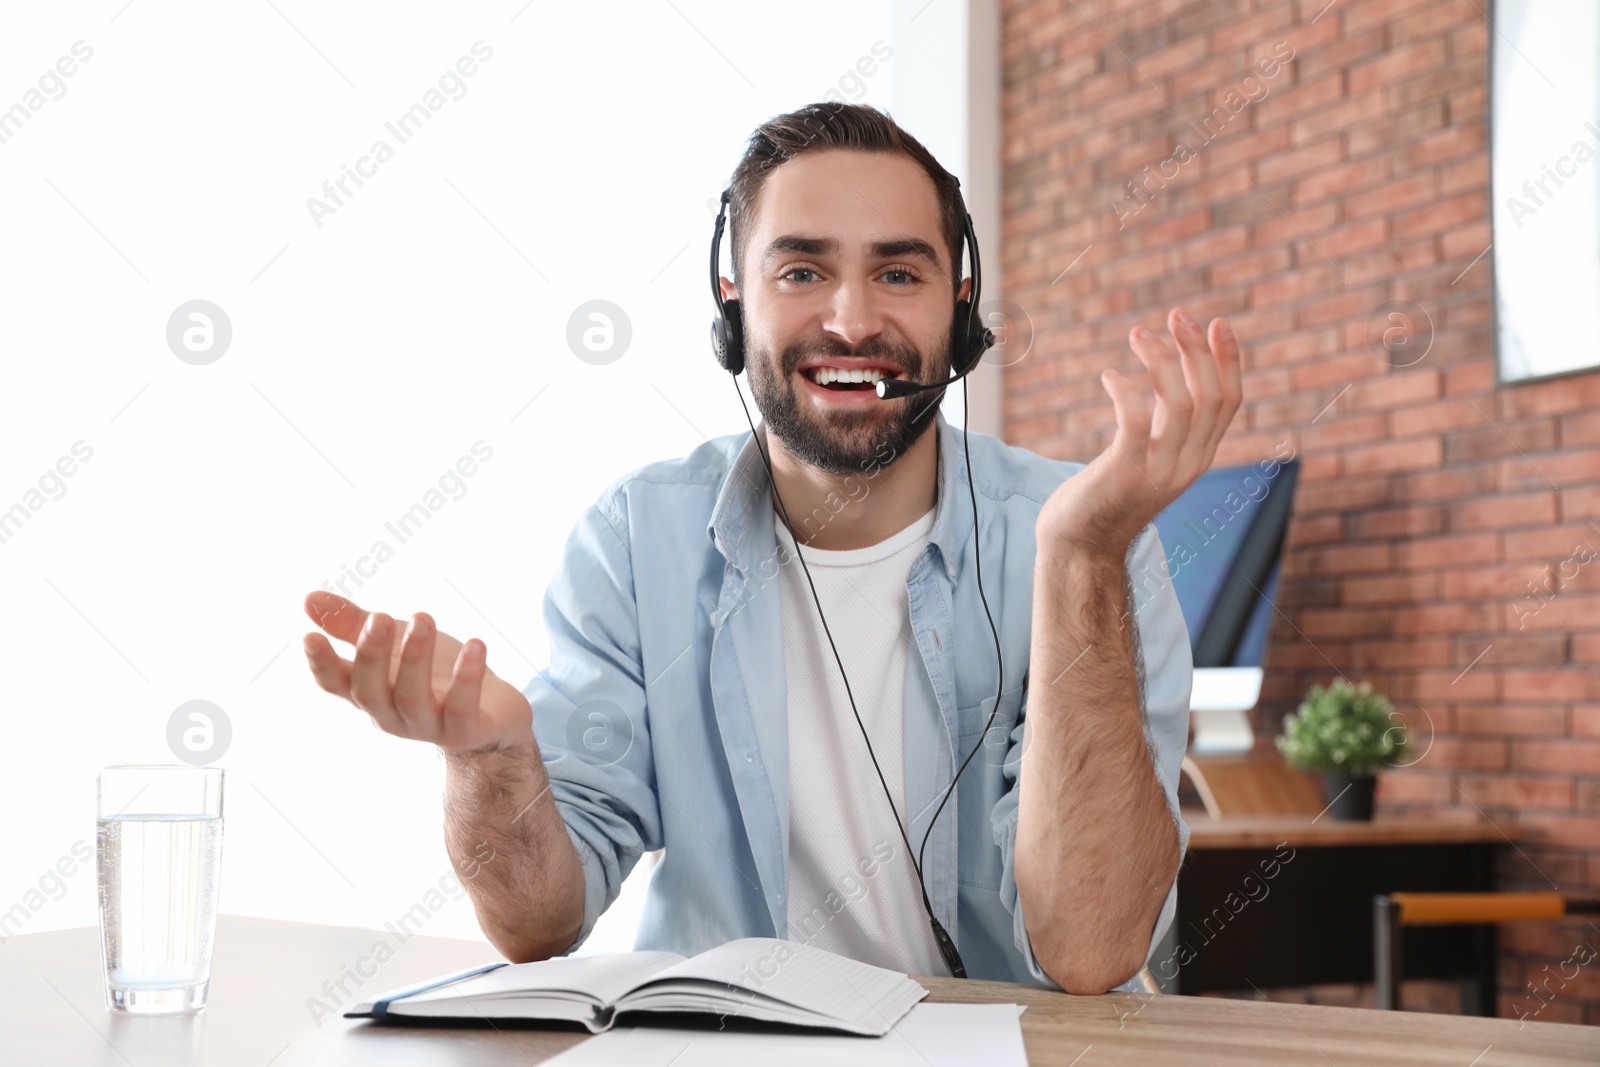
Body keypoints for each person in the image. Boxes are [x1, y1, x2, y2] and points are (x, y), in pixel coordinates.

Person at [301, 101, 1242, 994]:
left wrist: (1081, 556)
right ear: (733, 298)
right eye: (801, 272)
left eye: (899, 273)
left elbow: (1093, 947)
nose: (851, 320)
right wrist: (488, 757)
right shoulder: (638, 540)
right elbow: (539, 924)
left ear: (959, 309)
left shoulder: (1087, 543)